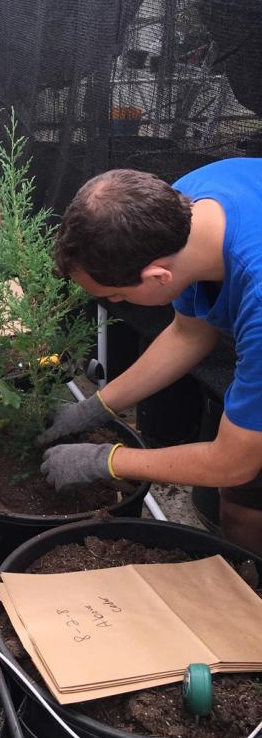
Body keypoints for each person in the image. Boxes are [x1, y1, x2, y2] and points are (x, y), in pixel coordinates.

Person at [38, 159, 262, 555]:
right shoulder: (187, 204)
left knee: (245, 504)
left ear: (158, 277)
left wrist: (106, 460)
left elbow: (232, 462)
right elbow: (189, 334)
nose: (114, 301)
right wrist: (93, 409)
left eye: (115, 296)